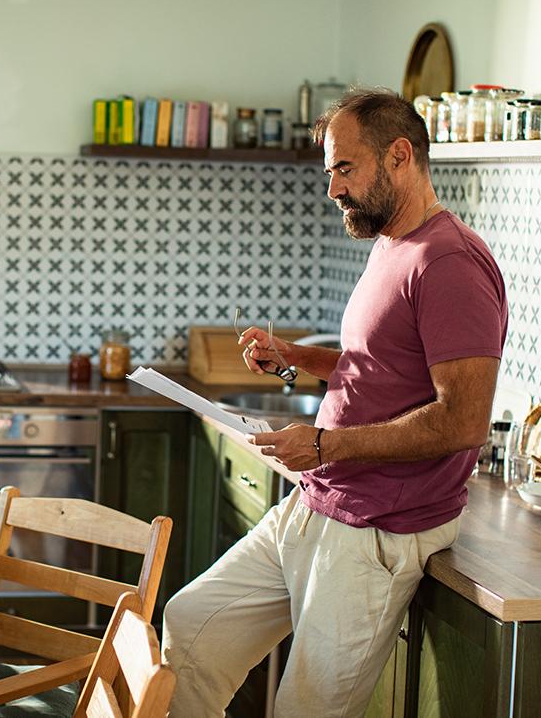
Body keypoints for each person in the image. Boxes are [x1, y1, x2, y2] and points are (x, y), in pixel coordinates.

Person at [161, 89, 508, 718]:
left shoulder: (449, 263)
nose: (333, 191)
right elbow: (378, 369)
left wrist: (323, 444)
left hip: (376, 532)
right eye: (330, 173)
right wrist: (296, 356)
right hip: (320, 503)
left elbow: (463, 422)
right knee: (192, 626)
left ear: (399, 155)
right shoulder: (393, 245)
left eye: (344, 169)